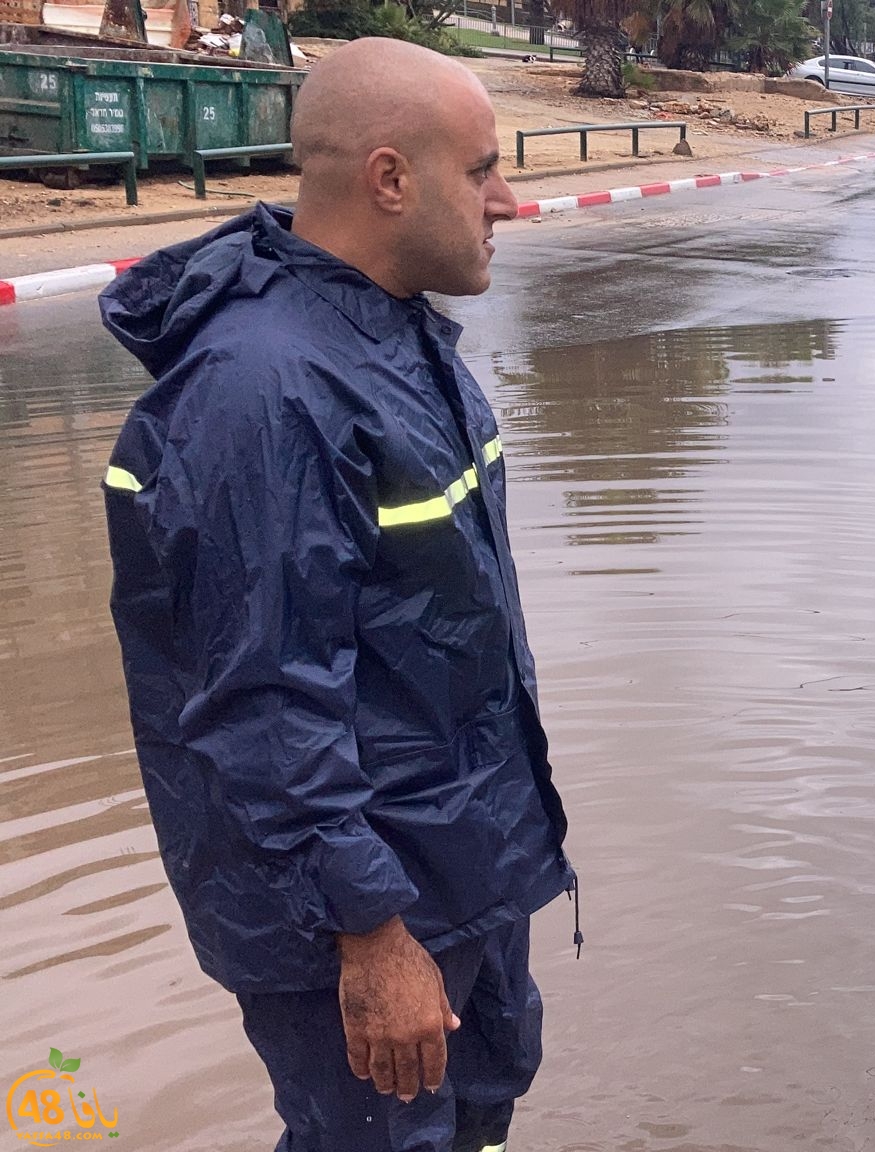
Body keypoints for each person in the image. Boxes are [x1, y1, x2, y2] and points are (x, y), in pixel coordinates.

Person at [98, 38, 573, 1152]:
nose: (510, 202)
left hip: (457, 860)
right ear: (390, 178)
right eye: (483, 170)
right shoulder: (262, 392)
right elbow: (263, 705)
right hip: (353, 911)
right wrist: (370, 932)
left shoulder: (394, 335)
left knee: (476, 1120)